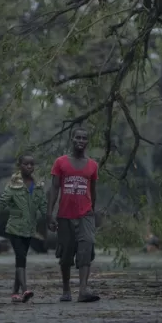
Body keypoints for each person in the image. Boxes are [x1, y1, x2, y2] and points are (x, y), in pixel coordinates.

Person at [47, 128, 100, 303]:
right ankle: (66, 289)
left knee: (87, 246)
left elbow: (93, 190)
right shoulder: (60, 162)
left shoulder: (92, 165)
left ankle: (83, 290)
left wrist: (93, 211)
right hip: (65, 214)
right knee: (66, 254)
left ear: (87, 142)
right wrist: (50, 214)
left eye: (84, 138)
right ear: (72, 139)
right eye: (78, 137)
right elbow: (54, 188)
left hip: (85, 214)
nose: (80, 140)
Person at [0, 154, 47, 303]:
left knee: (21, 260)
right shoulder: (13, 185)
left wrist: (51, 219)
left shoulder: (38, 186)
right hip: (14, 228)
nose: (29, 167)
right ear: (20, 165)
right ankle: (25, 290)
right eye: (26, 164)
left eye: (32, 164)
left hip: (29, 229)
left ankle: (14, 292)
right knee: (21, 258)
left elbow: (43, 206)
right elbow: (1, 203)